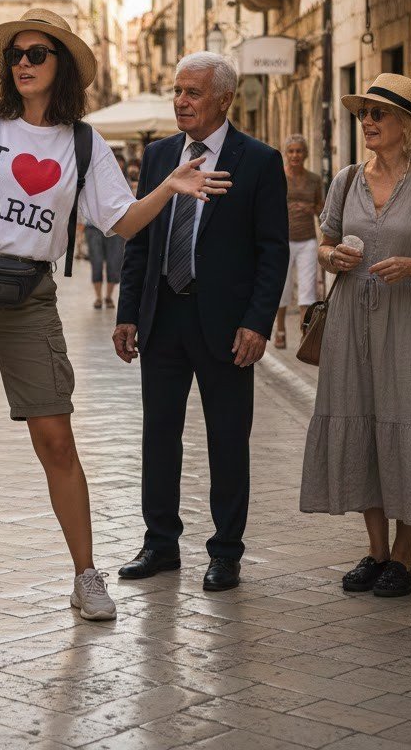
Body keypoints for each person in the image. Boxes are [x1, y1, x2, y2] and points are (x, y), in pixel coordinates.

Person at [0, 8, 230, 622]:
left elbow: (123, 222)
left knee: (56, 438)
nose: (23, 64)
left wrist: (168, 188)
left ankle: (86, 576)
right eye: (16, 55)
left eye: (37, 54)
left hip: (28, 295)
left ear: (62, 66)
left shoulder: (83, 143)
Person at [114, 52, 289, 592]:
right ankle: (160, 544)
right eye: (177, 90)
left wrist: (258, 323)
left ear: (224, 99)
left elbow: (273, 250)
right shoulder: (159, 155)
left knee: (228, 439)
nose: (181, 101)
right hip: (163, 316)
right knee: (159, 436)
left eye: (192, 92)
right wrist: (127, 312)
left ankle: (226, 552)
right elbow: (140, 240)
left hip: (226, 326)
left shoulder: (257, 161)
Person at [300, 73, 411, 598]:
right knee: (364, 426)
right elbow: (324, 245)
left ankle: (404, 556)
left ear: (407, 125)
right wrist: (333, 257)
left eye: (379, 114)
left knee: (409, 421)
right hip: (351, 320)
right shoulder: (346, 179)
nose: (367, 122)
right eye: (363, 114)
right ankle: (375, 551)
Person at [274, 135, 324, 349]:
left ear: (305, 154)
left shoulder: (314, 180)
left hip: (307, 241)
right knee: (282, 287)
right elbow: (267, 206)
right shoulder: (276, 177)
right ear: (286, 154)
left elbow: (322, 209)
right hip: (282, 240)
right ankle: (280, 330)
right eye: (291, 151)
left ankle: (305, 333)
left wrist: (311, 208)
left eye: (299, 151)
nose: (295, 155)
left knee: (307, 289)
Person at [84, 221, 125, 310]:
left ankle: (108, 297)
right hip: (93, 226)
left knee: (114, 263)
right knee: (96, 263)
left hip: (116, 225)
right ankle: (98, 298)